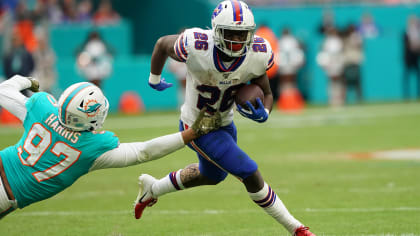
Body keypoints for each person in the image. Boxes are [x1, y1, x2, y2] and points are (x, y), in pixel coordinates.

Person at [133, 1, 315, 235]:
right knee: (249, 171)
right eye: (231, 34)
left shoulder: (258, 53)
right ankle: (296, 228)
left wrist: (265, 112)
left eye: (242, 35)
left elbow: (267, 92)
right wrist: (154, 78)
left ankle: (153, 189)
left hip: (225, 123)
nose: (237, 41)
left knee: (212, 175)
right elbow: (161, 44)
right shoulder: (196, 45)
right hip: (197, 126)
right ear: (216, 30)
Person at [0, 75, 221, 219]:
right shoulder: (91, 148)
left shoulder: (42, 108)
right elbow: (144, 151)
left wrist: (28, 81)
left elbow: (4, 90)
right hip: (6, 194)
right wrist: (189, 134)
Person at [403, 15, 420, 99]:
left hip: (416, 57)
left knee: (417, 75)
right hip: (408, 58)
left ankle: (417, 94)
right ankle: (407, 95)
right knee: (407, 76)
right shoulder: (406, 32)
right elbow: (407, 45)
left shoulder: (418, 33)